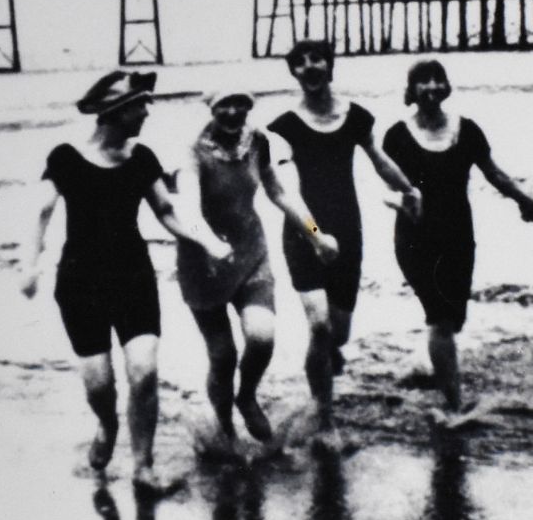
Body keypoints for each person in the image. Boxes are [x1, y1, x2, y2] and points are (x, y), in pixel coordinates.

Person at [23, 70, 231, 489]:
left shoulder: (142, 158)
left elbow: (167, 212)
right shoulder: (65, 157)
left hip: (133, 277)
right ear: (116, 112)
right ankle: (106, 426)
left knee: (144, 372)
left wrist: (206, 242)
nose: (146, 112)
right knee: (101, 386)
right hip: (80, 284)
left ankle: (143, 467)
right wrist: (30, 265)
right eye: (140, 105)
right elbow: (40, 213)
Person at [268, 38, 421, 434]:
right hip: (304, 234)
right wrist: (316, 235)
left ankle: (326, 361)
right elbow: (287, 191)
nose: (309, 67)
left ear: (329, 65)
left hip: (349, 231)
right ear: (294, 73)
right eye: (299, 62)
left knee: (338, 333)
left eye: (316, 58)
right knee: (318, 325)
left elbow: (380, 161)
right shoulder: (283, 127)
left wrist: (408, 190)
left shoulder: (355, 117)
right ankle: (324, 419)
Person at [382, 59, 533, 418]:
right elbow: (388, 189)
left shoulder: (468, 130)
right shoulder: (396, 136)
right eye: (421, 81)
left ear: (446, 86)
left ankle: (431, 363)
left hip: (458, 235)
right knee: (440, 317)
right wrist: (405, 201)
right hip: (415, 237)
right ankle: (455, 406)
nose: (429, 87)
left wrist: (526, 202)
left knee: (454, 319)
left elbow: (494, 174)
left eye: (436, 79)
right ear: (411, 91)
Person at [175, 88, 323, 458]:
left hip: (251, 252)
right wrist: (210, 244)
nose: (234, 111)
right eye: (224, 104)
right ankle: (225, 432)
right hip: (204, 261)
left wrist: (317, 235)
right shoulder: (193, 152)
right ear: (212, 109)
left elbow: (280, 192)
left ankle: (247, 396)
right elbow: (188, 209)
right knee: (222, 356)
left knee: (261, 336)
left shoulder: (258, 142)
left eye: (241, 103)